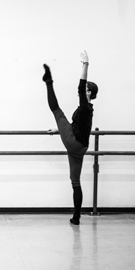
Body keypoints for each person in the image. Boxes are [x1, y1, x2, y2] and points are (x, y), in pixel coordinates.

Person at [42, 50, 98, 225]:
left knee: (57, 111)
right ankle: (76, 218)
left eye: (86, 89)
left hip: (74, 143)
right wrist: (59, 130)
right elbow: (77, 128)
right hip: (80, 147)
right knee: (75, 182)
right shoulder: (88, 110)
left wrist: (85, 64)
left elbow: (80, 85)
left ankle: (48, 82)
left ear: (88, 93)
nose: (82, 90)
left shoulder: (84, 106)